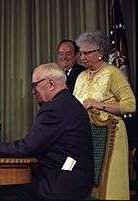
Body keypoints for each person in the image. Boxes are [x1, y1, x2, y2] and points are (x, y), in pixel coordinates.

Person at [0, 63, 94, 200]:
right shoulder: (70, 102)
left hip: (59, 183)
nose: (33, 91)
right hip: (75, 179)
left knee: (1, 193)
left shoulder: (54, 108)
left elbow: (29, 147)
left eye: (35, 85)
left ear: (51, 84)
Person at [73, 30, 136, 200]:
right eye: (81, 53)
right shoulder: (80, 76)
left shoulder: (112, 73)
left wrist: (98, 104)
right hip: (87, 137)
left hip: (112, 136)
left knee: (111, 185)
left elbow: (130, 105)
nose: (82, 57)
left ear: (100, 53)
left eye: (87, 53)